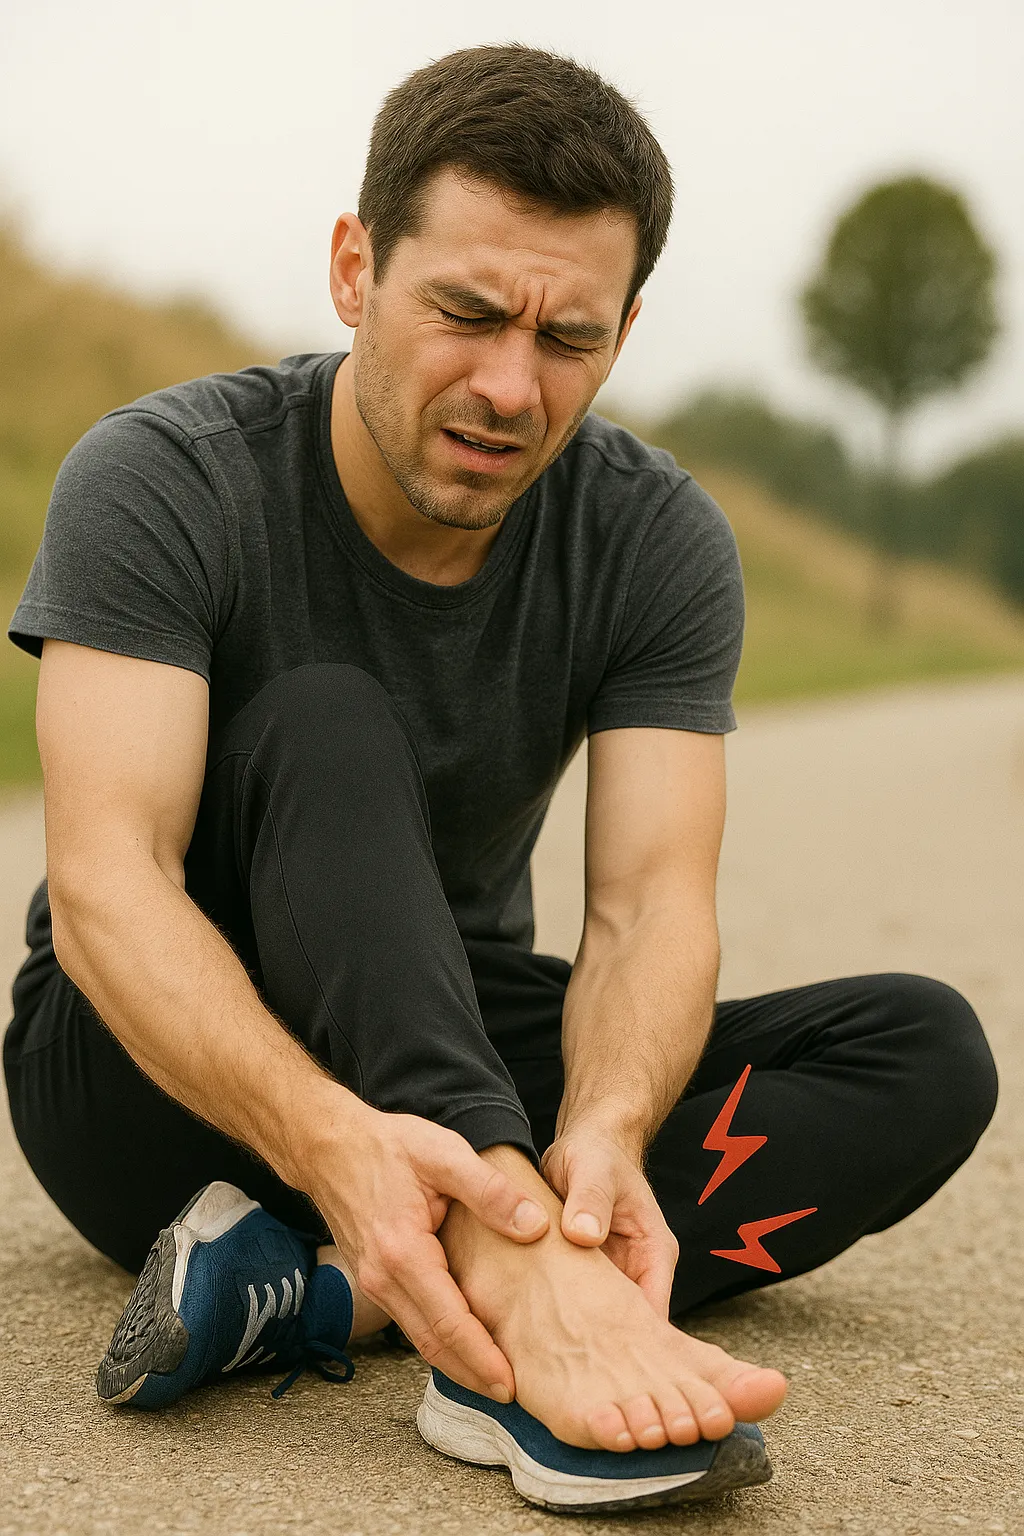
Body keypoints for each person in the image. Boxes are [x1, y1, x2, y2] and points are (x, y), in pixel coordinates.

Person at [3, 44, 998, 1514]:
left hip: (439, 1020)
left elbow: (645, 912)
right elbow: (106, 889)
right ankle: (519, 1305)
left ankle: (342, 1294)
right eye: (465, 312)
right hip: (156, 1077)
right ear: (355, 269)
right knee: (329, 718)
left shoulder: (651, 537)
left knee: (920, 1054)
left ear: (627, 329)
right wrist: (389, 1160)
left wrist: (597, 1138)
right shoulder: (165, 477)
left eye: (569, 339)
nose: (510, 387)